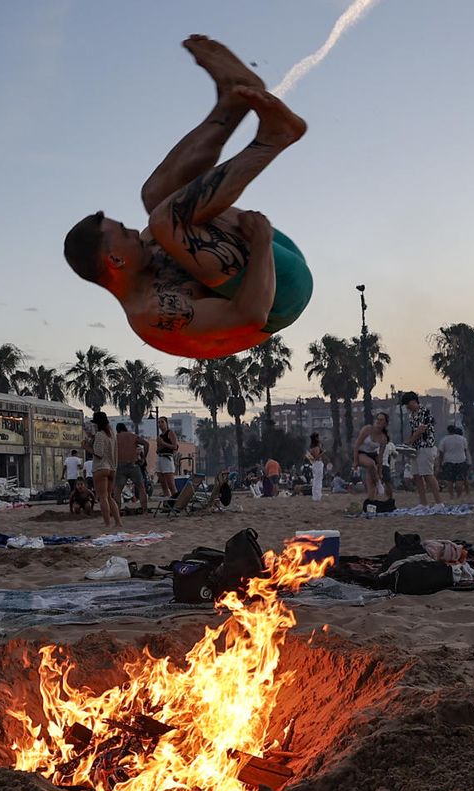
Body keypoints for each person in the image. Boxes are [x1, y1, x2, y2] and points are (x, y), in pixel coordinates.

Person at [63, 36, 311, 359]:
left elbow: (184, 197)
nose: (134, 233)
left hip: (269, 249)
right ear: (115, 261)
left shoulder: (150, 247)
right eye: (124, 234)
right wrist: (262, 241)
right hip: (283, 293)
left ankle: (233, 102)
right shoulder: (154, 313)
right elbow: (250, 316)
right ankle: (273, 139)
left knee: (155, 196)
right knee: (164, 218)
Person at [400, 392, 441, 505]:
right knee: (417, 475)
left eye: (408, 404)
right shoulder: (411, 415)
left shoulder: (425, 412)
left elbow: (421, 429)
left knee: (428, 474)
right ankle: (423, 504)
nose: (407, 407)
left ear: (414, 401)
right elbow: (414, 431)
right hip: (415, 449)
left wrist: (410, 440)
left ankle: (439, 503)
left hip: (426, 447)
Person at [88, 411, 121, 527]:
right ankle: (118, 521)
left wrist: (86, 447)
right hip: (112, 468)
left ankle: (107, 522)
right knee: (109, 497)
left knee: (102, 497)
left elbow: (99, 453)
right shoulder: (112, 434)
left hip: (101, 467)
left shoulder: (100, 435)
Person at [352, 413, 392, 502]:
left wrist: (380, 471)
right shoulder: (367, 429)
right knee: (371, 464)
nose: (378, 421)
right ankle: (378, 482)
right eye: (377, 419)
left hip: (373, 455)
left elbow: (380, 456)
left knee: (370, 482)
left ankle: (371, 502)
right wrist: (355, 462)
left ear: (385, 424)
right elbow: (357, 445)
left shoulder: (383, 438)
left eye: (381, 420)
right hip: (361, 453)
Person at [115, 423, 148, 512]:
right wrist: (143, 458)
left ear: (117, 430)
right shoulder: (132, 436)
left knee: (118, 490)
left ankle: (117, 511)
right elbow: (146, 444)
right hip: (133, 464)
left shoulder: (115, 438)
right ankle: (145, 510)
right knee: (141, 488)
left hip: (120, 465)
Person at [436, 425, 470, 499]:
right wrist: (468, 460)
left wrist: (439, 463)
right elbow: (465, 450)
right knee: (460, 479)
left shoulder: (444, 440)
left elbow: (441, 453)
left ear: (448, 431)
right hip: (461, 460)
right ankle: (459, 495)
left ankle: (451, 495)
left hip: (448, 461)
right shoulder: (463, 439)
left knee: (450, 480)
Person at [154, 419, 180, 499]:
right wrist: (160, 445)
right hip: (160, 458)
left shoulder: (170, 433)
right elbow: (158, 450)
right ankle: (167, 501)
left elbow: (175, 446)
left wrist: (163, 443)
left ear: (166, 423)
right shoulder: (160, 436)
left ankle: (176, 501)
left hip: (167, 458)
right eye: (158, 422)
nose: (160, 424)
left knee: (170, 484)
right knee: (163, 483)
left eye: (162, 422)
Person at [307, 433, 325, 501]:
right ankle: (317, 496)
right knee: (318, 480)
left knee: (315, 480)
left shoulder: (312, 447)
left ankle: (315, 496)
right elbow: (317, 457)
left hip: (314, 464)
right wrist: (323, 453)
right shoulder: (316, 447)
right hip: (318, 464)